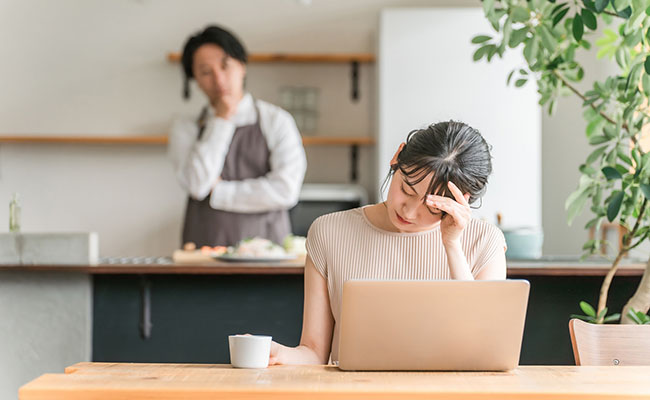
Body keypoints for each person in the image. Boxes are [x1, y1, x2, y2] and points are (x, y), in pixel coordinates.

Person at [268, 120, 507, 365]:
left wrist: (452, 245)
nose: (410, 212)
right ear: (396, 158)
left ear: (460, 201)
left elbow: (483, 354)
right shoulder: (328, 232)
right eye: (407, 189)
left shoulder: (485, 242)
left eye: (432, 207)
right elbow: (314, 353)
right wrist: (278, 354)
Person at [168, 25, 307, 247]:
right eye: (205, 72)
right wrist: (222, 120)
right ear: (194, 79)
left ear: (242, 66)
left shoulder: (277, 121)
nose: (219, 79)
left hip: (269, 254)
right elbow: (197, 185)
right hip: (203, 254)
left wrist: (220, 191)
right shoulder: (186, 128)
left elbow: (286, 190)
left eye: (225, 66)